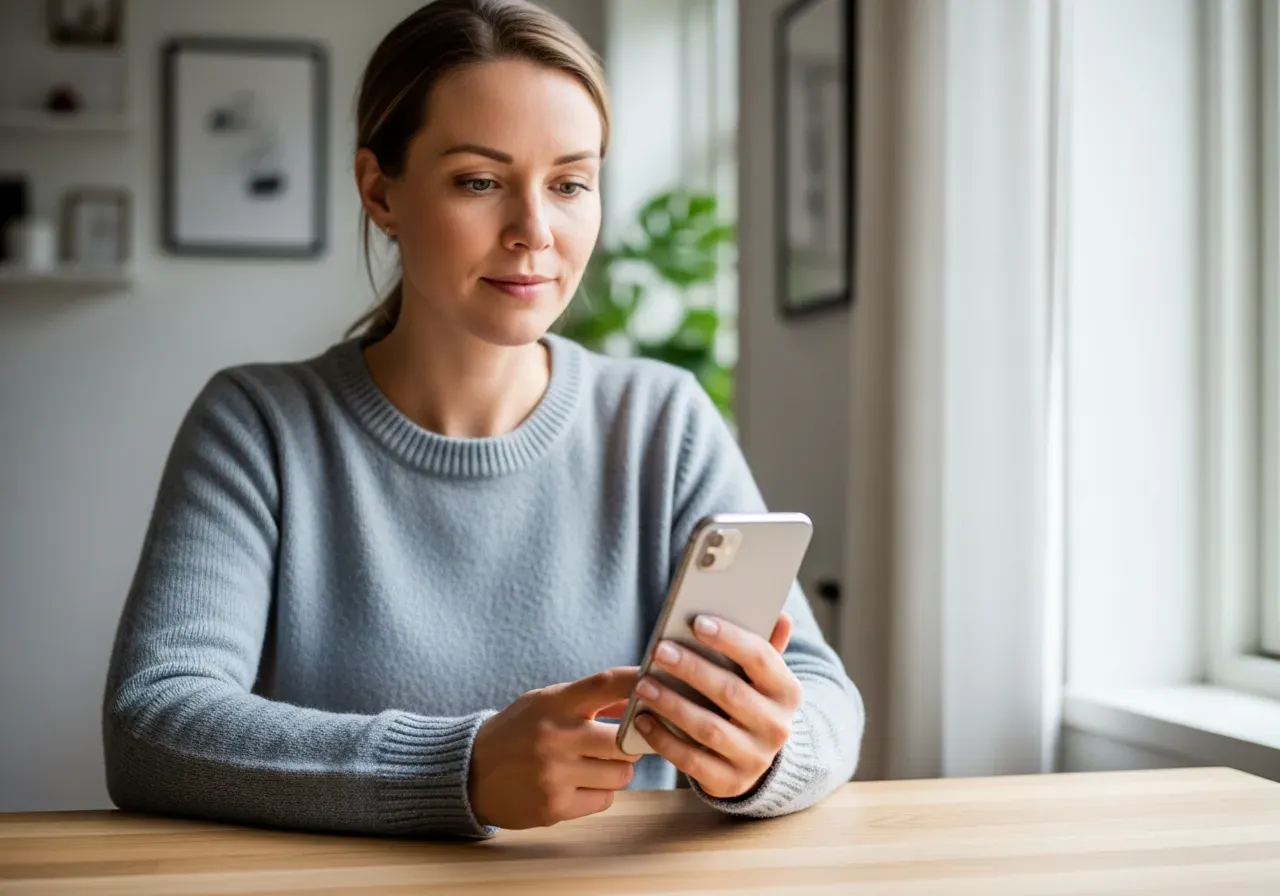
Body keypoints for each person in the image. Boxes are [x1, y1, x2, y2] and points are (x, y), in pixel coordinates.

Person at [102, 0, 864, 840]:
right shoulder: (258, 427)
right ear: (379, 190)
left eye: (570, 183)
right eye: (479, 182)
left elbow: (821, 694)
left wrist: (765, 757)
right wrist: (459, 768)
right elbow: (153, 723)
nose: (534, 231)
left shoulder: (663, 421)